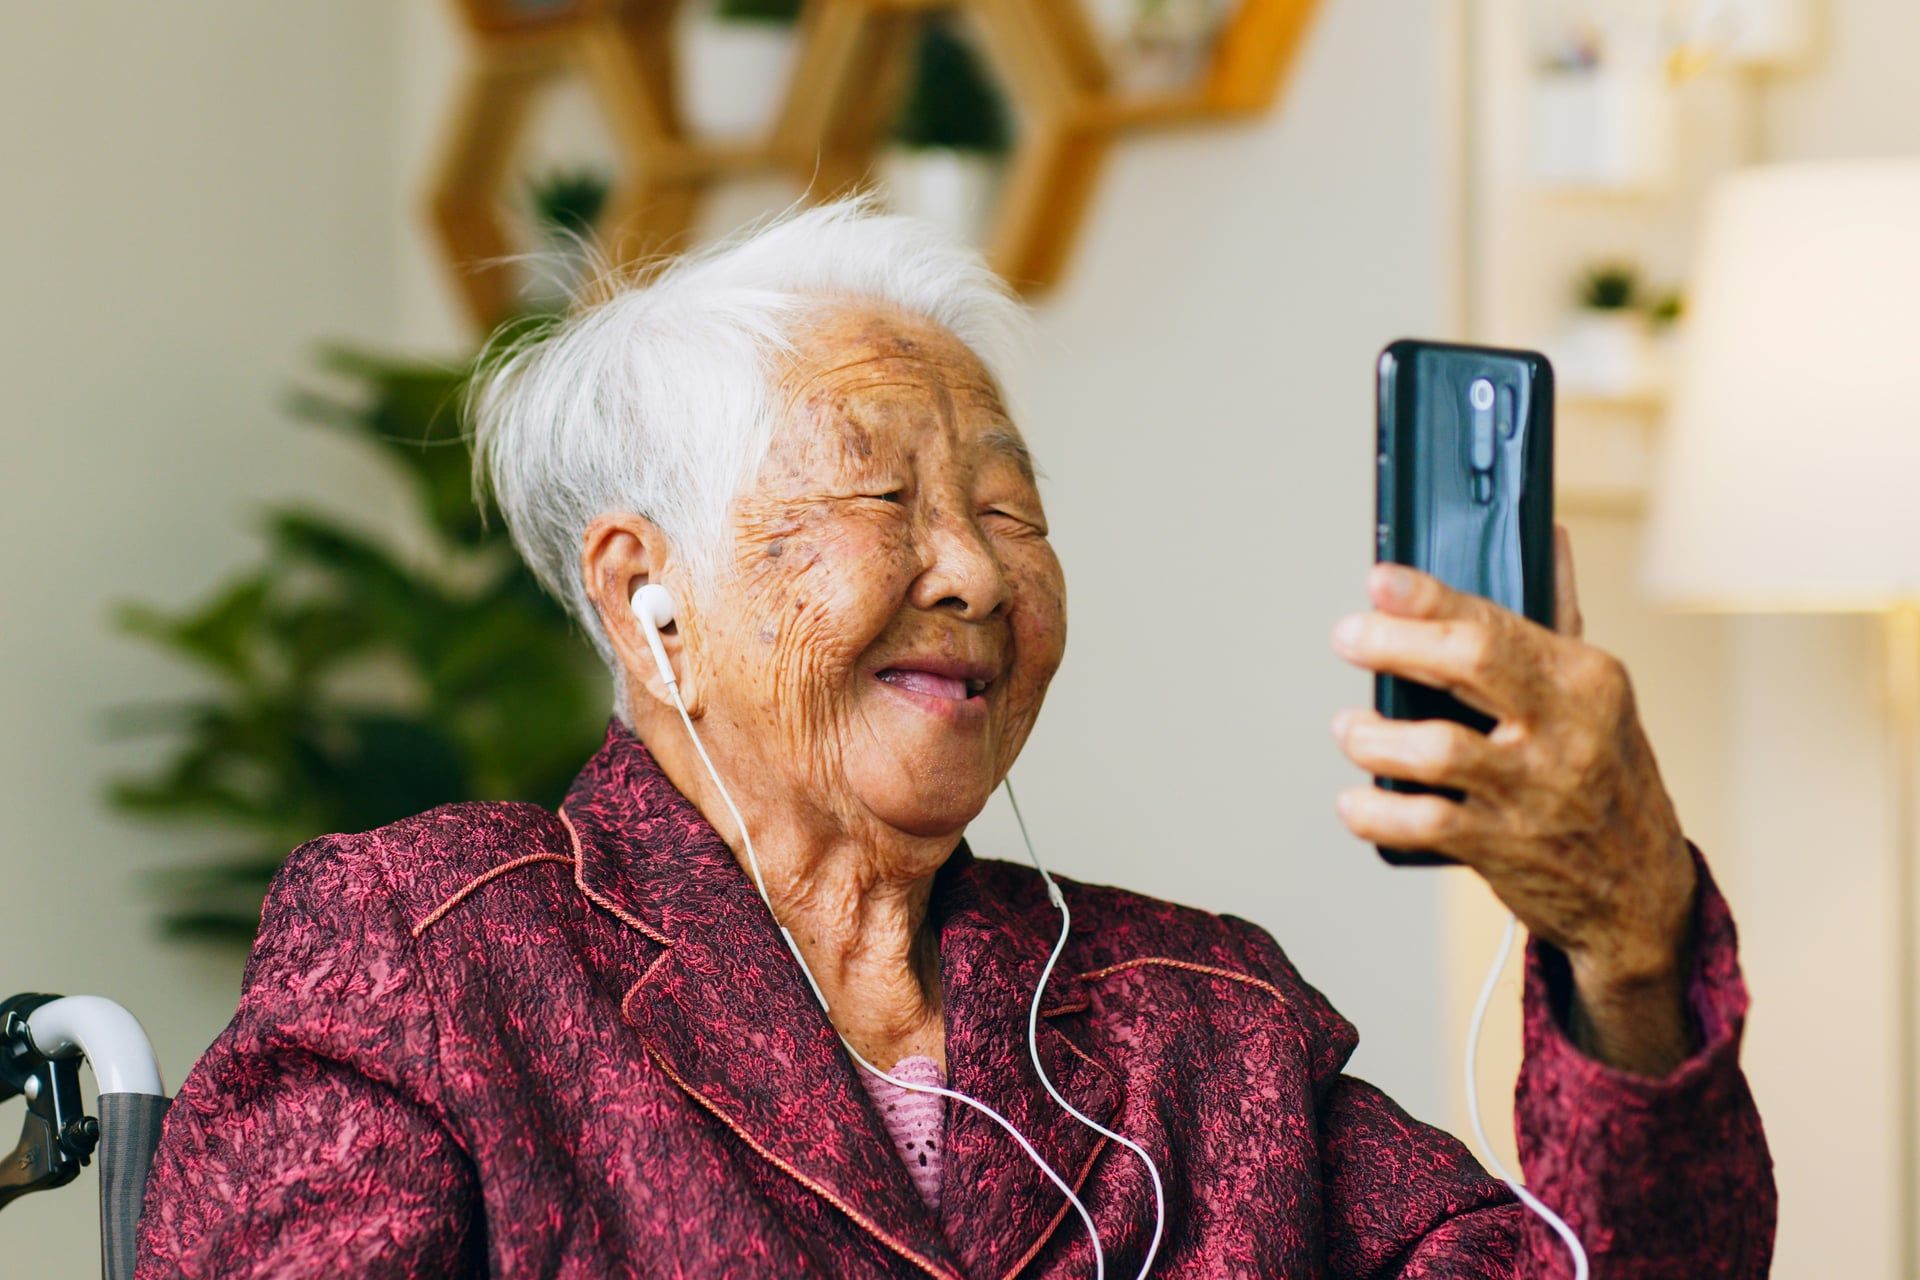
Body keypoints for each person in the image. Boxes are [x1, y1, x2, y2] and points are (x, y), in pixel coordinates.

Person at [135, 198, 1774, 1278]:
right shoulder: (443, 956)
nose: (977, 574)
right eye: (879, 494)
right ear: (649, 597)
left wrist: (1628, 928)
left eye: (1010, 511)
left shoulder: (1206, 1027)